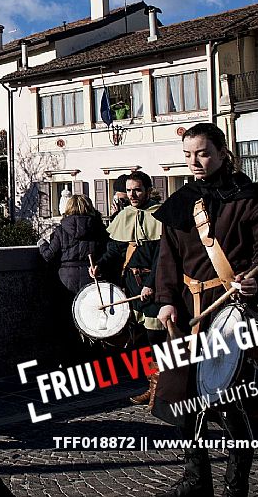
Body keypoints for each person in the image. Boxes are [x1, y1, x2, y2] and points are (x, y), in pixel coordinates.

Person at [153, 123, 258, 497]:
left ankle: (235, 482)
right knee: (182, 399)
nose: (195, 161)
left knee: (237, 402)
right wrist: (165, 299)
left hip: (234, 312)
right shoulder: (181, 202)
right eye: (188, 155)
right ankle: (196, 478)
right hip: (187, 311)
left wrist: (256, 280)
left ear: (222, 152)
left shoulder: (252, 198)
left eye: (203, 153)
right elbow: (168, 257)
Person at [94, 170, 163, 407]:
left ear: (148, 190)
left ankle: (162, 390)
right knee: (140, 341)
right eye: (130, 190)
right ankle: (151, 384)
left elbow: (162, 257)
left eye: (138, 190)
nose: (133, 194)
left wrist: (152, 283)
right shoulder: (124, 216)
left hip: (154, 285)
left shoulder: (159, 215)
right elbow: (115, 250)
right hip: (132, 285)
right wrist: (99, 267)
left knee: (157, 339)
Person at [38, 193, 108, 364]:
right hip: (91, 278)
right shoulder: (98, 228)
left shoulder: (61, 230)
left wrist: (41, 243)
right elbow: (108, 251)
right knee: (91, 321)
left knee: (67, 322)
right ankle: (92, 361)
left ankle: (69, 362)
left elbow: (49, 255)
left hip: (66, 279)